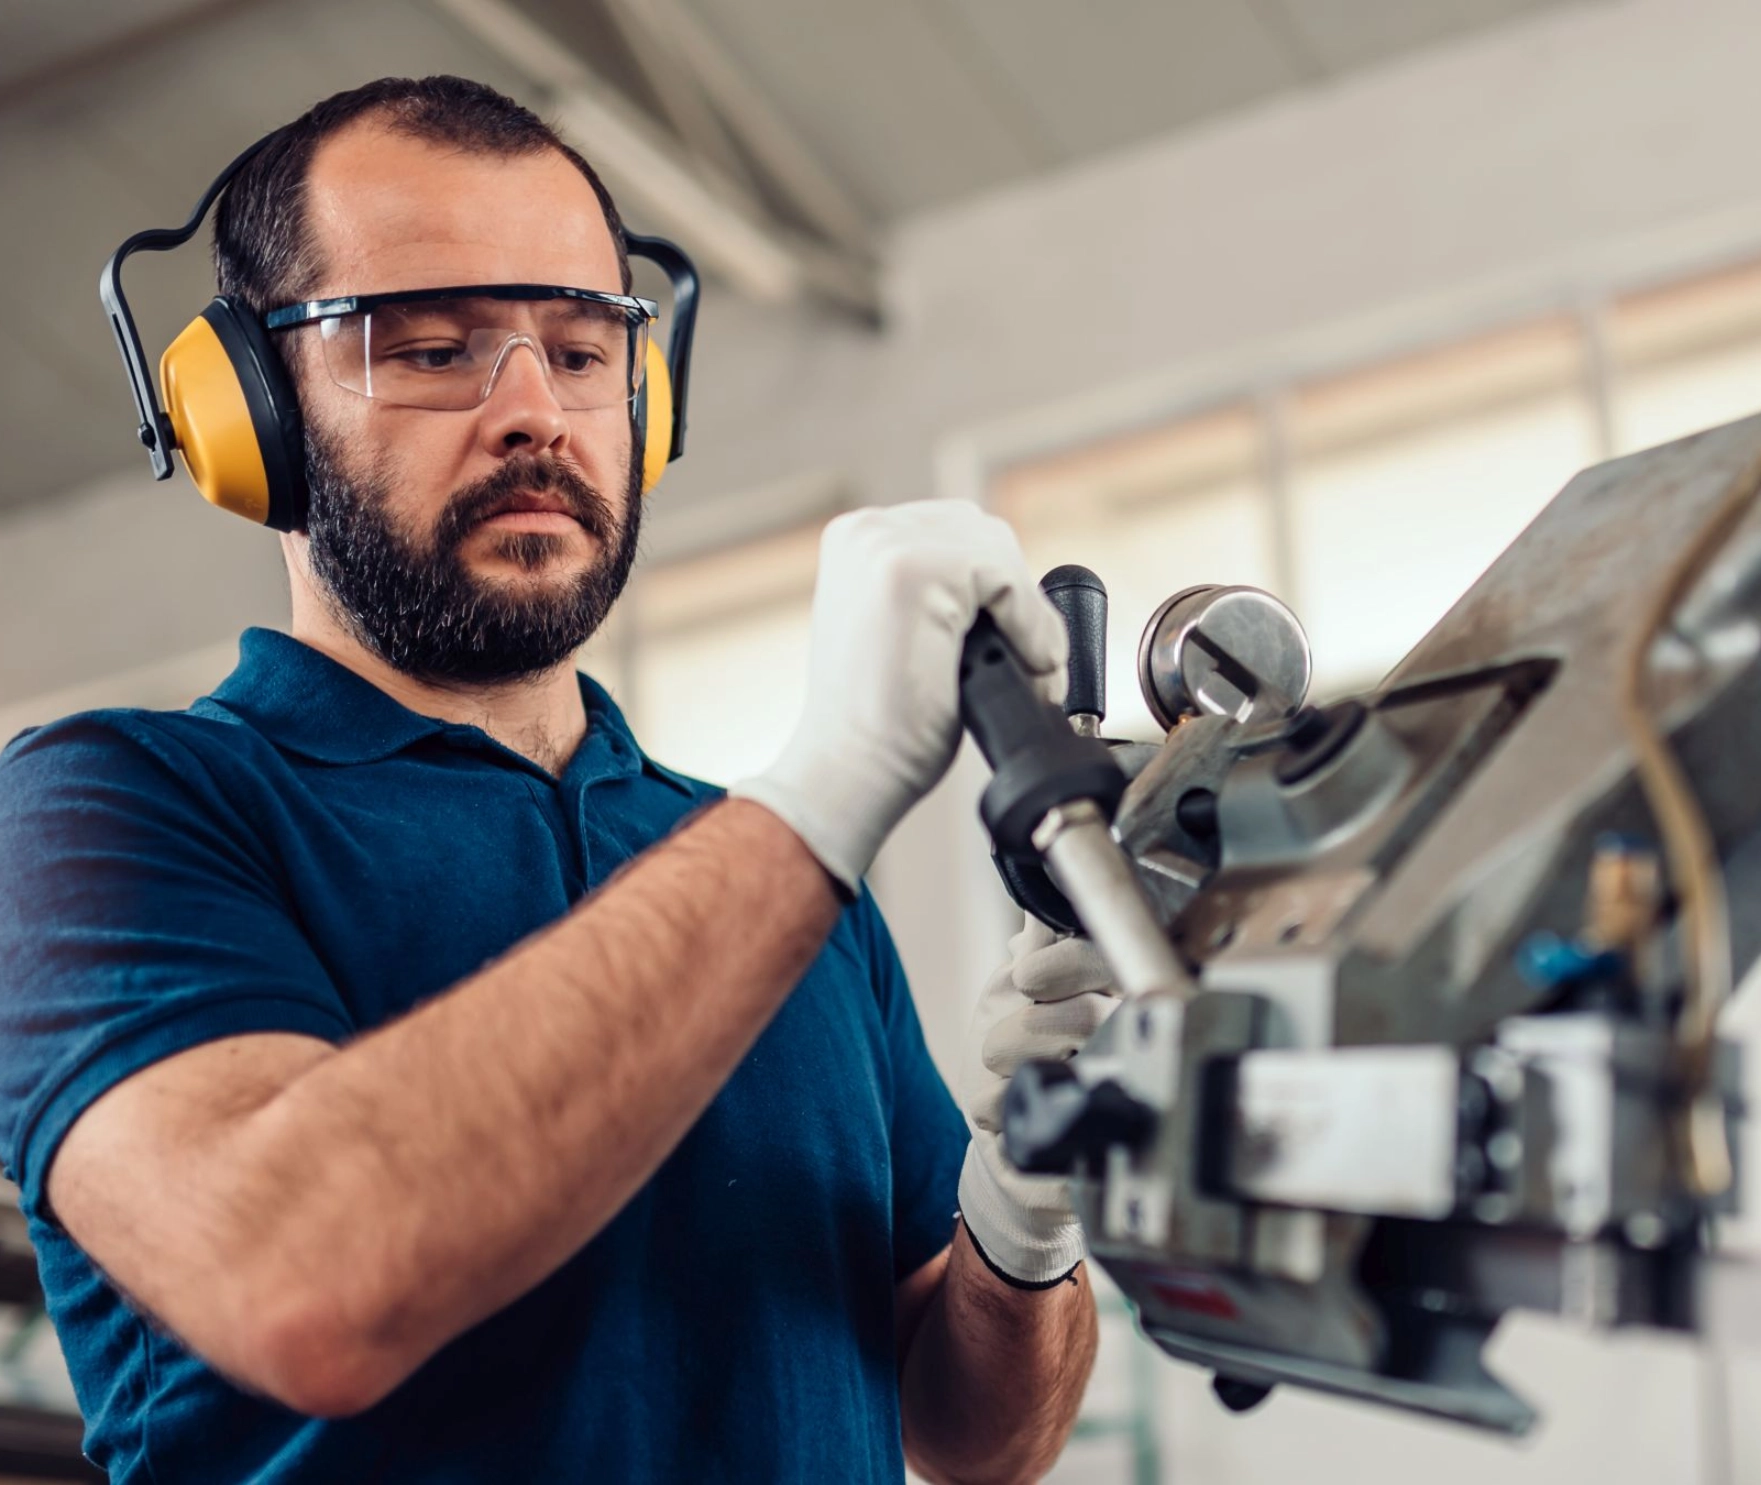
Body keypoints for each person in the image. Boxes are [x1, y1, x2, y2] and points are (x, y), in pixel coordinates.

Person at [0, 76, 1120, 1483]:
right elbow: (304, 1282)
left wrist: (1027, 1207)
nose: (535, 411)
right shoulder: (105, 810)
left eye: (583, 351)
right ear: (246, 415)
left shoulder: (779, 885)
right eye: (429, 348)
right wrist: (824, 795)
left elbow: (973, 1441)